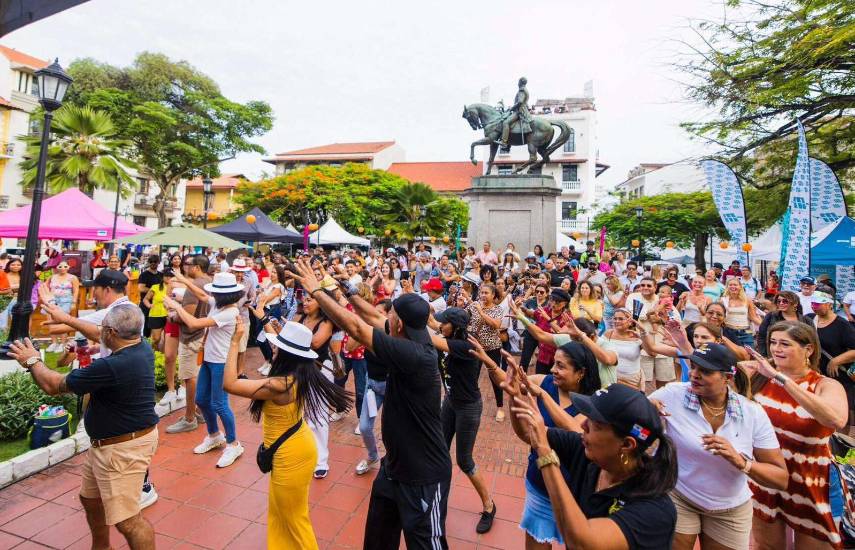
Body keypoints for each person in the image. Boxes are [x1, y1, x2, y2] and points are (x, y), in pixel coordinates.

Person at [288, 259, 452, 549]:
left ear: (398, 322)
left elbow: (358, 328)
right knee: (377, 539)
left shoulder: (413, 353)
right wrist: (345, 289)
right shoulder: (412, 333)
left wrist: (317, 292)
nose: (383, 315)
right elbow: (370, 318)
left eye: (389, 312)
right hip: (395, 467)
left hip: (424, 475)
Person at [9, 306, 159, 550]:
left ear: (111, 332)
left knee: (128, 522)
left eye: (102, 329)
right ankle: (101, 547)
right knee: (90, 499)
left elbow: (52, 384)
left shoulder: (111, 366)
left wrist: (32, 360)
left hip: (121, 450)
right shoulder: (140, 345)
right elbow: (96, 333)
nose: (98, 333)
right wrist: (68, 319)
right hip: (108, 445)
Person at [222, 317, 350, 549]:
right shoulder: (299, 373)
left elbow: (230, 384)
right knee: (280, 512)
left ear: (286, 353)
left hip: (292, 454)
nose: (273, 348)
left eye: (277, 346)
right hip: (293, 447)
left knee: (294, 518)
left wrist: (234, 342)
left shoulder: (280, 385)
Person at [649, 344, 788, 550]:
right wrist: (647, 413)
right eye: (693, 367)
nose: (695, 375)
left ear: (727, 378)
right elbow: (631, 424)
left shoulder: (751, 413)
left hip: (730, 508)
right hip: (679, 494)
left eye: (705, 371)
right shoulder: (672, 395)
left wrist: (741, 461)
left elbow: (780, 478)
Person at [510, 383, 678, 549]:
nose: (583, 425)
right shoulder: (587, 453)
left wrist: (545, 453)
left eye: (596, 424)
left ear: (627, 444)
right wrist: (514, 396)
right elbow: (528, 432)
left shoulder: (655, 511)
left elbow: (582, 543)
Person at [742, 321, 849, 549]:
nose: (776, 349)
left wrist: (782, 379)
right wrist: (685, 345)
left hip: (811, 476)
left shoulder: (825, 385)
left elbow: (836, 420)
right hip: (767, 473)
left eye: (785, 344)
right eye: (772, 342)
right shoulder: (760, 375)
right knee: (765, 545)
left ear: (808, 349)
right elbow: (716, 372)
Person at [164, 271, 245, 468]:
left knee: (219, 404)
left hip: (222, 363)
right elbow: (201, 295)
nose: (213, 295)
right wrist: (183, 280)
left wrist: (176, 306)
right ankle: (215, 435)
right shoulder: (218, 305)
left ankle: (234, 444)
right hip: (209, 360)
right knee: (201, 399)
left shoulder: (230, 312)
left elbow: (194, 323)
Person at [429, 308, 498, 533]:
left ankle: (489, 506)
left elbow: (430, 336)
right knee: (439, 451)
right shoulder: (448, 335)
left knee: (464, 460)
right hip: (450, 402)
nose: (441, 326)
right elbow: (432, 325)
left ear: (456, 326)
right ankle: (438, 500)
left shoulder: (467, 344)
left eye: (444, 323)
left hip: (468, 408)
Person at [164, 254, 210, 434]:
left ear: (197, 267)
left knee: (189, 377)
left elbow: (188, 317)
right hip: (205, 336)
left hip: (192, 337)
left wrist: (173, 312)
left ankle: (189, 417)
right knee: (197, 376)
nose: (184, 267)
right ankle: (198, 411)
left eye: (188, 264)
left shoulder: (194, 287)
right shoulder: (210, 282)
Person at [807, 291, 855, 417]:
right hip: (815, 373)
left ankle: (841, 436)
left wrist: (836, 361)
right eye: (812, 304)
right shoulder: (809, 319)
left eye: (818, 304)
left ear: (829, 304)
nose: (814, 307)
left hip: (840, 375)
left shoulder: (842, 325)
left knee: (841, 411)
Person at [464, 282, 505, 421]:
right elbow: (463, 318)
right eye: (481, 292)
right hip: (475, 347)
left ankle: (500, 407)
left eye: (486, 293)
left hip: (491, 348)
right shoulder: (473, 305)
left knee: (494, 377)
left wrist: (481, 312)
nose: (483, 295)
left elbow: (496, 325)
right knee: (472, 376)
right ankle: (470, 404)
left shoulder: (497, 309)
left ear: (493, 295)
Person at [756, 291, 806, 356]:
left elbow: (812, 340)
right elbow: (762, 337)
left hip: (798, 357)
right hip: (775, 355)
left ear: (795, 303)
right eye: (778, 301)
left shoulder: (805, 320)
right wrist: (764, 355)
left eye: (785, 301)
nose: (781, 303)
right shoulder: (770, 316)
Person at [46, 260, 79, 352]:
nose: (62, 268)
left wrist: (74, 302)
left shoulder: (73, 278)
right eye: (60, 266)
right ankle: (54, 342)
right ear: (56, 267)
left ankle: (63, 343)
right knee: (51, 321)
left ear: (68, 267)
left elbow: (76, 290)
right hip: (52, 301)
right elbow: (46, 287)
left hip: (66, 301)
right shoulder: (52, 277)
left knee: (62, 322)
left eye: (65, 266)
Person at [720, 278, 762, 348]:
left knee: (750, 354)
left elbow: (753, 317)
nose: (733, 286)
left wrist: (765, 326)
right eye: (730, 285)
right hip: (729, 332)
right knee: (731, 355)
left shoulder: (747, 300)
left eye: (735, 285)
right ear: (727, 287)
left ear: (740, 287)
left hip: (746, 332)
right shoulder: (723, 300)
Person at [141, 268, 173, 350]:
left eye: (171, 276)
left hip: (170, 316)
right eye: (166, 275)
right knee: (156, 339)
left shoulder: (175, 288)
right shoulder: (155, 287)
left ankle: (166, 358)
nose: (169, 277)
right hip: (156, 314)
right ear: (163, 277)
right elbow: (145, 299)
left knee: (169, 340)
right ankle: (154, 356)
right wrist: (149, 305)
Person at [137, 255, 162, 337]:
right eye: (151, 262)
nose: (153, 263)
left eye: (155, 262)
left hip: (158, 305)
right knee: (146, 328)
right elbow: (141, 288)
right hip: (146, 305)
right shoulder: (144, 275)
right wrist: (154, 291)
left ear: (158, 262)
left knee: (157, 328)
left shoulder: (161, 275)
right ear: (149, 262)